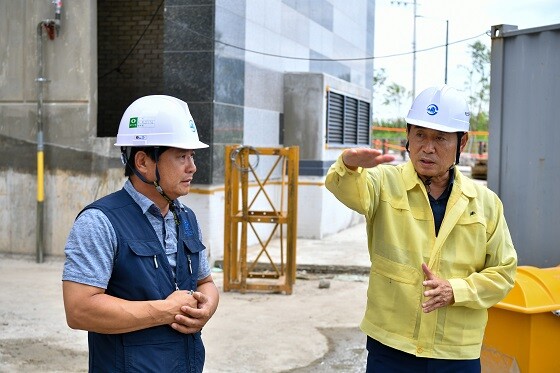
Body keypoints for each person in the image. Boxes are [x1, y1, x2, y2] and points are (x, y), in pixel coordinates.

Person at [325, 85, 517, 372]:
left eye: (440, 138)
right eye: (420, 135)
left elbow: (503, 272)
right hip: (391, 344)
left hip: (455, 351)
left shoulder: (486, 204)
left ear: (461, 143)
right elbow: (347, 189)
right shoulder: (384, 183)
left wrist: (456, 290)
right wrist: (348, 166)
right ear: (408, 137)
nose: (428, 147)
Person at [62, 95, 219, 372]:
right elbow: (79, 310)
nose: (192, 167)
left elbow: (205, 281)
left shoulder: (187, 218)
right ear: (144, 162)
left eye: (192, 156)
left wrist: (207, 308)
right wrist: (165, 311)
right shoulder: (100, 222)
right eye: (181, 156)